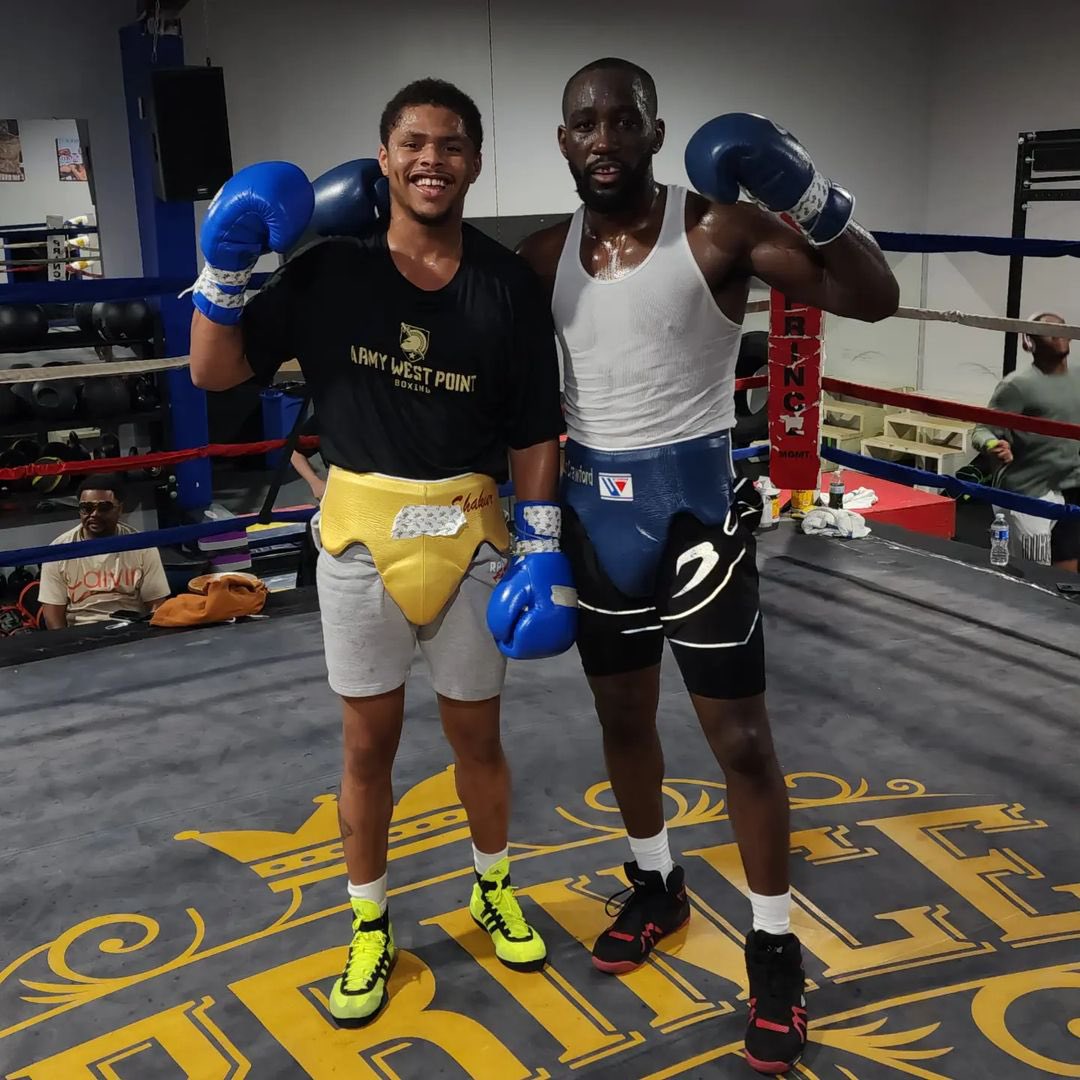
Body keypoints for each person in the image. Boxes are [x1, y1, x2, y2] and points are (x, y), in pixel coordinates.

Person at [517, 58, 899, 1075]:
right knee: (622, 721)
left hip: (694, 522)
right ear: (563, 142)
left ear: (655, 131)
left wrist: (806, 192)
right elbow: (489, 375)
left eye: (622, 120)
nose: (603, 138)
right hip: (595, 522)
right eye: (584, 123)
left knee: (742, 740)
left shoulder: (719, 228)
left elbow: (874, 295)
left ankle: (773, 948)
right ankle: (655, 883)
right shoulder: (542, 254)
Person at [187, 77, 575, 1028]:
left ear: (473, 163)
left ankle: (492, 886)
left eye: (451, 144)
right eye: (414, 143)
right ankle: (369, 923)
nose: (432, 159)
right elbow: (213, 369)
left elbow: (535, 427)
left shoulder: (506, 285)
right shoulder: (329, 271)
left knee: (478, 739)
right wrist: (224, 270)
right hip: (363, 542)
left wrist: (542, 544)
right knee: (368, 746)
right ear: (386, 156)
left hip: (474, 537)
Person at [972, 311, 1080, 571]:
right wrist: (992, 446)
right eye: (1047, 331)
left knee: (1066, 574)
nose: (1057, 335)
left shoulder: (1078, 379)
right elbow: (981, 430)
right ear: (1028, 341)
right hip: (1026, 493)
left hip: (1067, 488)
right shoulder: (1018, 385)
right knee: (1033, 574)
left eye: (1061, 328)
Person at [37, 472, 170, 628]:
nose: (94, 514)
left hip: (132, 627)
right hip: (81, 631)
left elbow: (157, 605)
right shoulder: (59, 550)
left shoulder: (142, 546)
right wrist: (66, 642)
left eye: (104, 508)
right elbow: (53, 615)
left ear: (120, 509)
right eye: (86, 508)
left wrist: (151, 636)